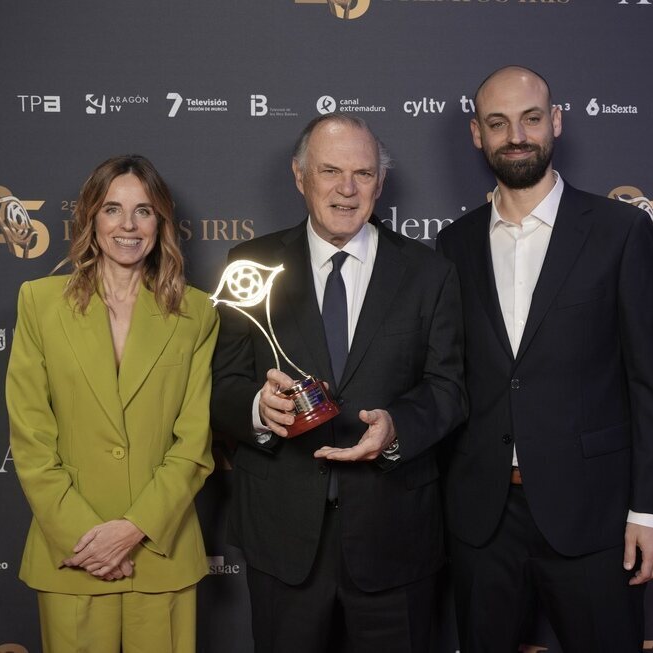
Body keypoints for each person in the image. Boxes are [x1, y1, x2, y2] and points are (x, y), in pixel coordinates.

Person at [435, 66, 653, 652]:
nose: (516, 135)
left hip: (594, 516)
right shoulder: (453, 244)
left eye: (531, 118)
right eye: (498, 123)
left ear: (556, 123)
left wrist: (650, 512)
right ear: (477, 134)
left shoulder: (621, 231)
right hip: (482, 520)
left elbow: (651, 383)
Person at [211, 114, 466, 653]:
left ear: (380, 183)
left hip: (394, 536)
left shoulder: (429, 272)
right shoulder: (249, 265)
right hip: (282, 538)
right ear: (300, 176)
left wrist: (398, 427)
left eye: (363, 173)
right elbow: (222, 384)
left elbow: (448, 388)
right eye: (330, 171)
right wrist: (259, 409)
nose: (346, 189)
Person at [5, 155, 218, 653]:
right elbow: (31, 439)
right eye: (112, 209)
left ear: (160, 222)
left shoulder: (197, 312)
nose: (127, 225)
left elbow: (194, 442)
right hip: (73, 554)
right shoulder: (39, 303)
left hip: (161, 552)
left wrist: (133, 529)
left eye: (143, 211)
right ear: (89, 219)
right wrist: (87, 539)